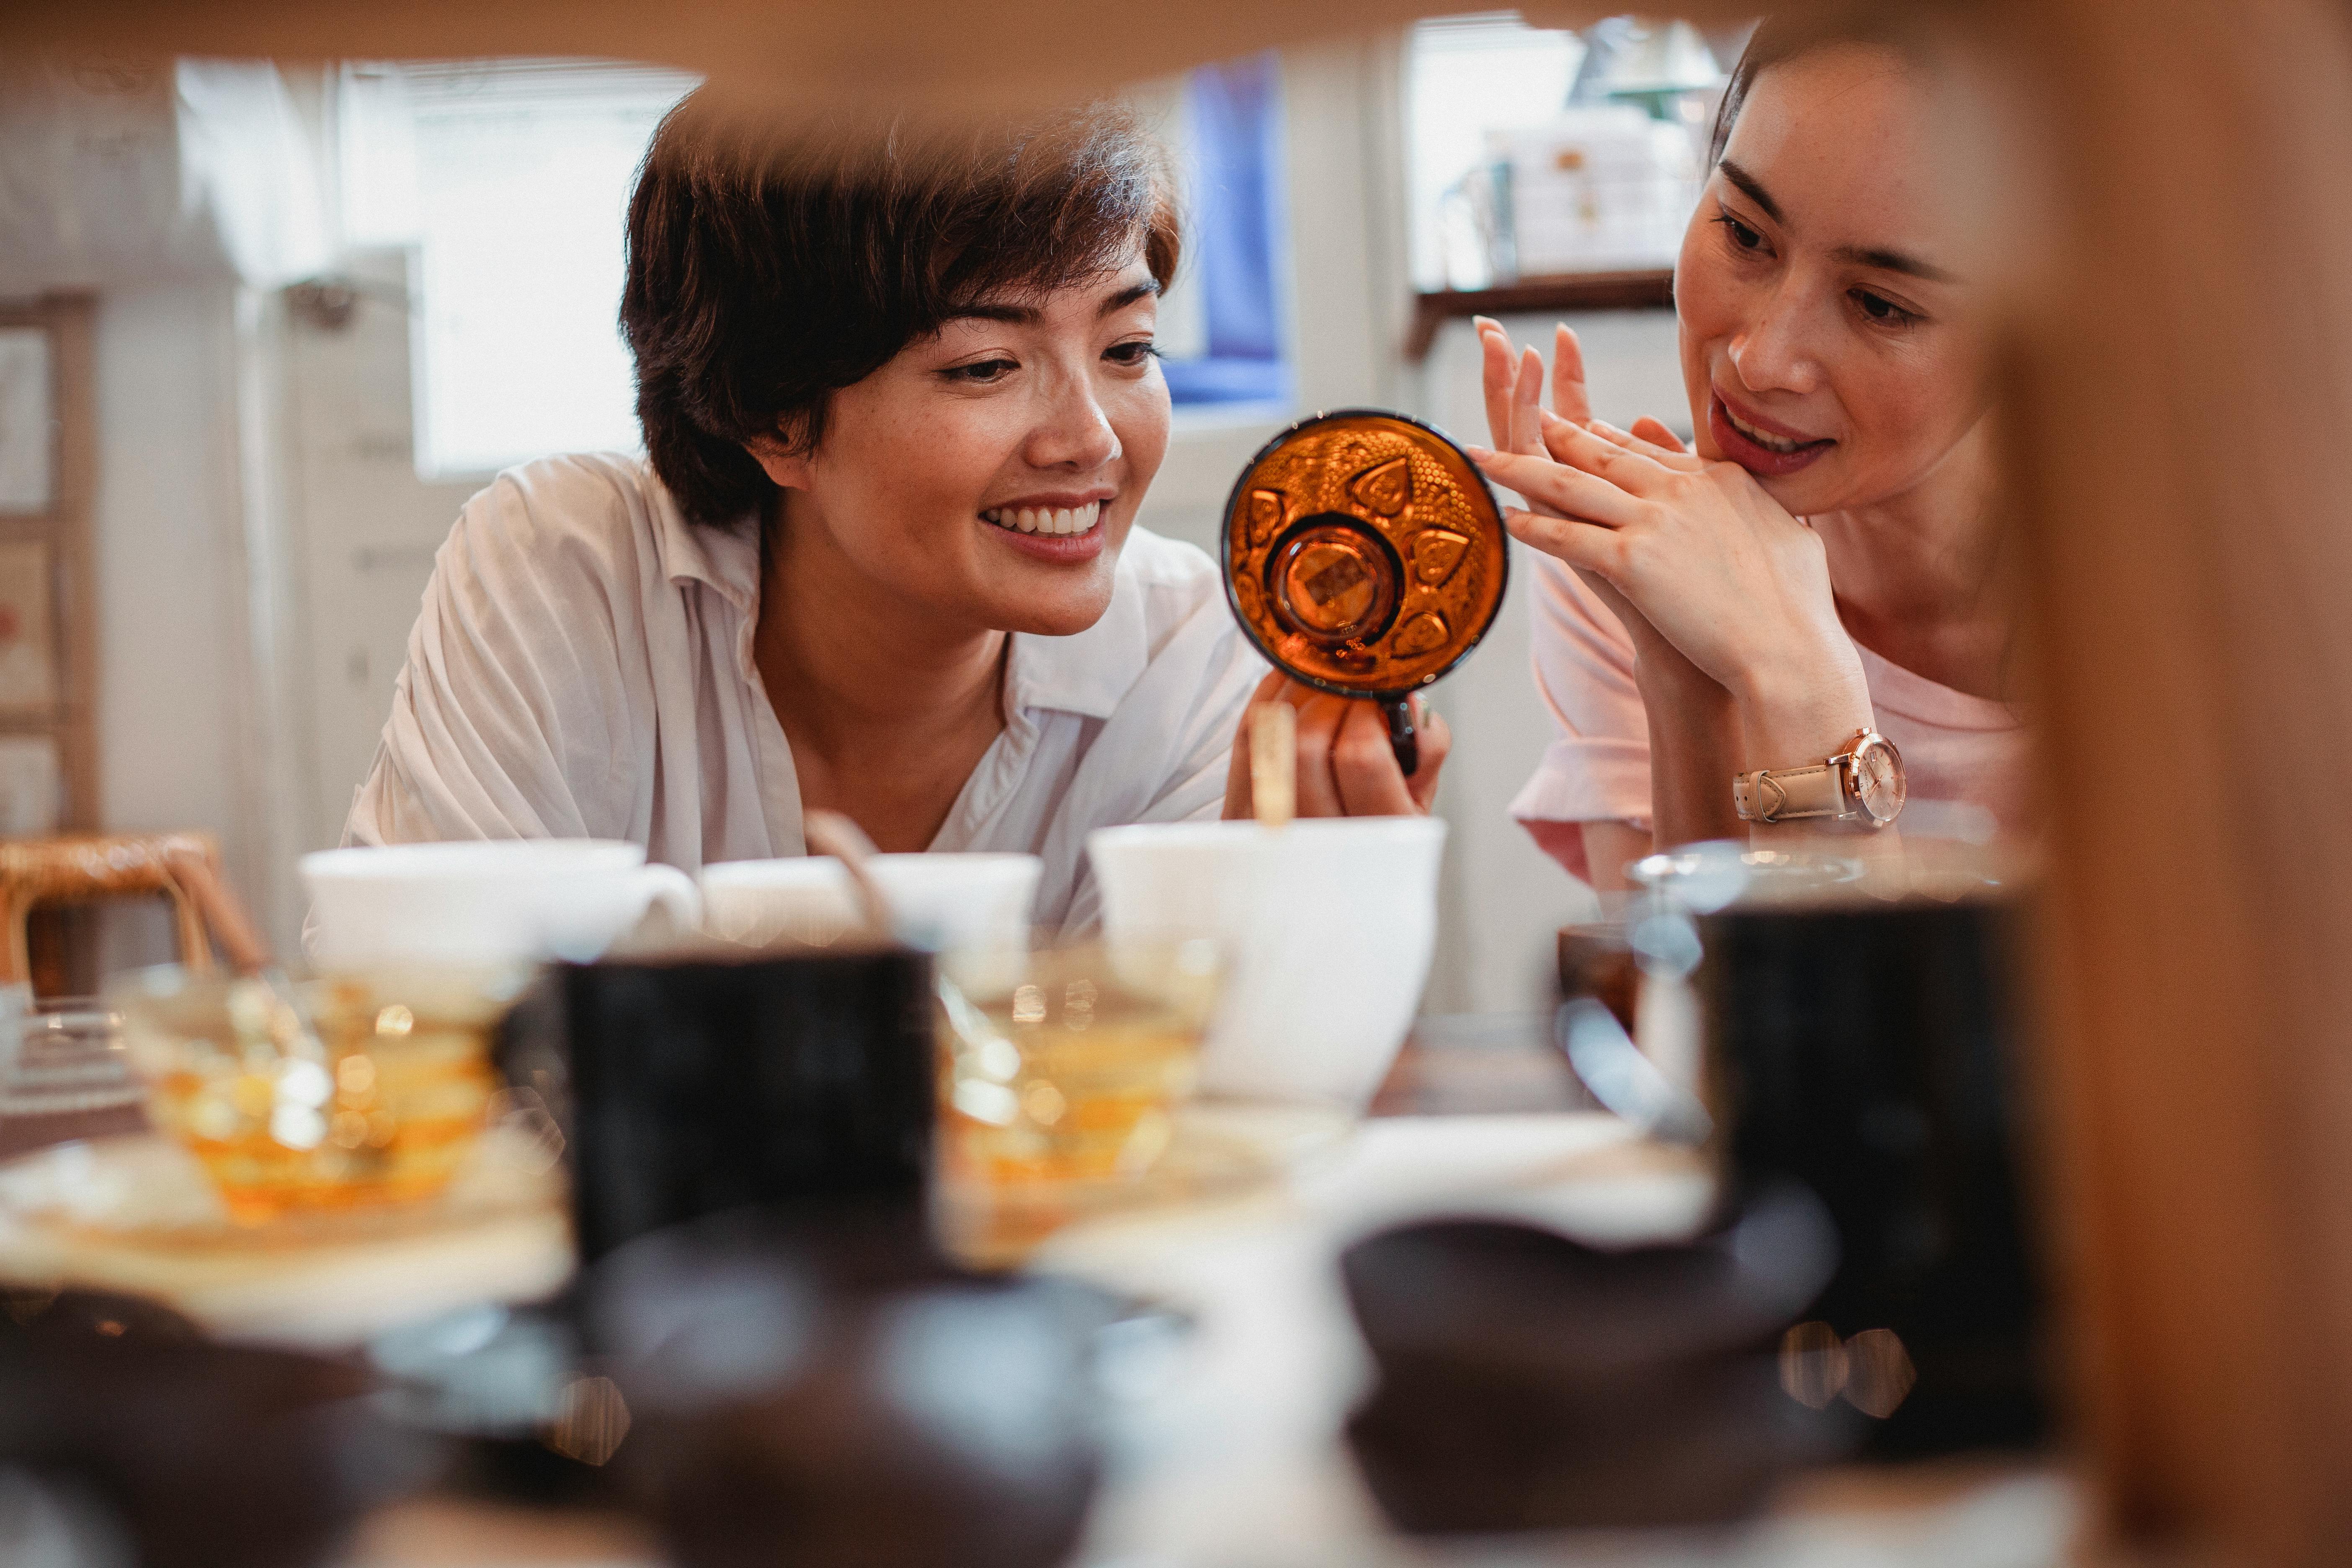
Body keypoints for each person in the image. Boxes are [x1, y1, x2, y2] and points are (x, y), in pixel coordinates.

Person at [343, 98, 1446, 930]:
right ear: (775, 413)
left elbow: (1164, 1139)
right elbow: (434, 1044)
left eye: (1128, 350)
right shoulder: (568, 574)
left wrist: (1309, 941)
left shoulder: (1200, 660)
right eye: (984, 366)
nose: (1093, 440)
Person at [1473, 16, 2028, 892]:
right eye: (1743, 234)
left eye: (1882, 305)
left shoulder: (2197, 609)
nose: (1758, 360)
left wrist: (1809, 695)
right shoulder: (1648, 546)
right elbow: (1705, 1021)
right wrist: (1681, 673)